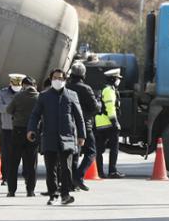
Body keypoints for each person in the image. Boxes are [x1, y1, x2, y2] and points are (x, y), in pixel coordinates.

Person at [27, 69, 85, 205]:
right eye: (55, 78)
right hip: (49, 137)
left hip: (68, 138)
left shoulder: (72, 95)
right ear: (51, 79)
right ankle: (52, 194)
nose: (57, 80)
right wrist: (31, 129)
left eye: (60, 78)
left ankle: (65, 195)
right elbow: (35, 115)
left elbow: (79, 117)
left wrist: (82, 135)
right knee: (51, 169)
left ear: (65, 80)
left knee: (66, 168)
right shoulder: (44, 96)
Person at [67, 62, 100, 191]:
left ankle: (71, 183)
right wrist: (98, 102)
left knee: (74, 154)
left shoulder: (66, 88)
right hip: (85, 125)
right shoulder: (86, 88)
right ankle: (78, 176)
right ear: (83, 74)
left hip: (69, 124)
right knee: (91, 152)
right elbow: (95, 108)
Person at [5, 76, 40, 197]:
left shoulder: (18, 96)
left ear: (24, 85)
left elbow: (9, 110)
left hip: (18, 131)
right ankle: (30, 190)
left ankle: (11, 190)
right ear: (34, 86)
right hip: (33, 132)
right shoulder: (39, 97)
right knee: (31, 163)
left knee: (14, 162)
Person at [0, 74, 25, 186]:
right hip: (7, 127)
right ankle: (6, 177)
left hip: (21, 126)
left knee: (22, 153)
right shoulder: (3, 93)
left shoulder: (24, 92)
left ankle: (23, 175)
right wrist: (11, 108)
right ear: (10, 83)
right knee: (7, 154)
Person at [95, 68, 125, 178]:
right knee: (114, 148)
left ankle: (99, 172)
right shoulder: (109, 90)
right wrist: (115, 122)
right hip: (108, 123)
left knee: (99, 150)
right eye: (117, 78)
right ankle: (112, 171)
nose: (119, 81)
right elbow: (110, 107)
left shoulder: (106, 89)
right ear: (113, 79)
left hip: (101, 123)